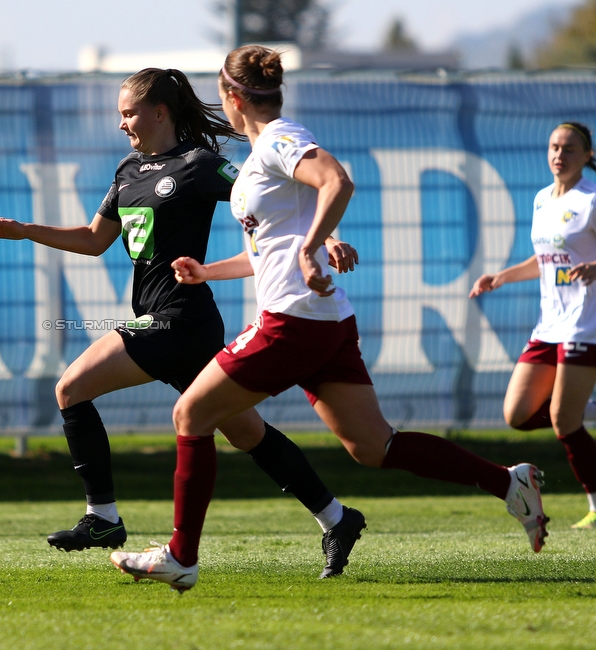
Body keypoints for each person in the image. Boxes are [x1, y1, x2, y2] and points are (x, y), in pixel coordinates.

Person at [109, 45, 550, 593]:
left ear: (232, 97)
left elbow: (337, 181)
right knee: (373, 446)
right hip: (324, 321)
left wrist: (314, 246)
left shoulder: (278, 139)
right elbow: (269, 248)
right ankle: (509, 484)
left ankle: (181, 556)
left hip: (291, 321)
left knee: (190, 414)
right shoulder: (256, 159)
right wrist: (207, 272)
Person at [0, 67, 366, 578]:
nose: (122, 124)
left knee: (70, 388)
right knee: (248, 434)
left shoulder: (200, 165)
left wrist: (327, 237)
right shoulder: (128, 171)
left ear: (160, 112)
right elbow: (94, 240)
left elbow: (280, 195)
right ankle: (336, 517)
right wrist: (25, 231)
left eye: (129, 113)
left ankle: (103, 518)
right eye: (119, 114)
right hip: (173, 324)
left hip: (178, 320)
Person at [469, 121, 596, 531]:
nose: (560, 154)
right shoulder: (543, 199)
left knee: (563, 420)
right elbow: (544, 260)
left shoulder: (592, 198)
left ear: (588, 155)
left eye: (570, 148)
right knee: (519, 414)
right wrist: (502, 275)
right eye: (555, 147)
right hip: (549, 324)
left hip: (585, 322)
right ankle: (576, 408)